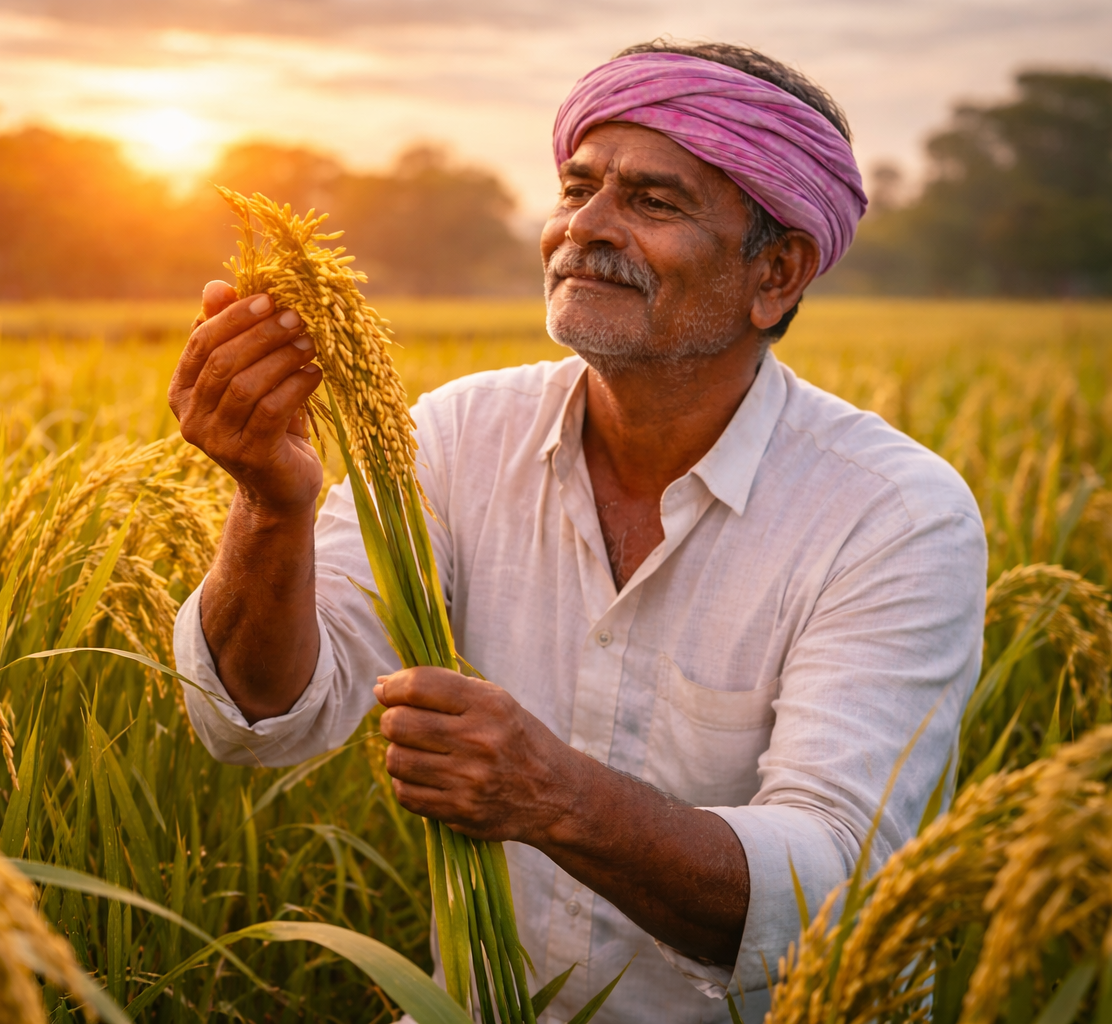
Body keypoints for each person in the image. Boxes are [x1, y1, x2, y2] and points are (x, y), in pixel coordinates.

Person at [166, 40, 986, 1023]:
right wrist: (270, 505)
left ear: (777, 272)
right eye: (577, 186)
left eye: (653, 201)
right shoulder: (456, 435)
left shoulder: (892, 517)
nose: (583, 230)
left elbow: (833, 888)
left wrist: (554, 795)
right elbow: (263, 718)